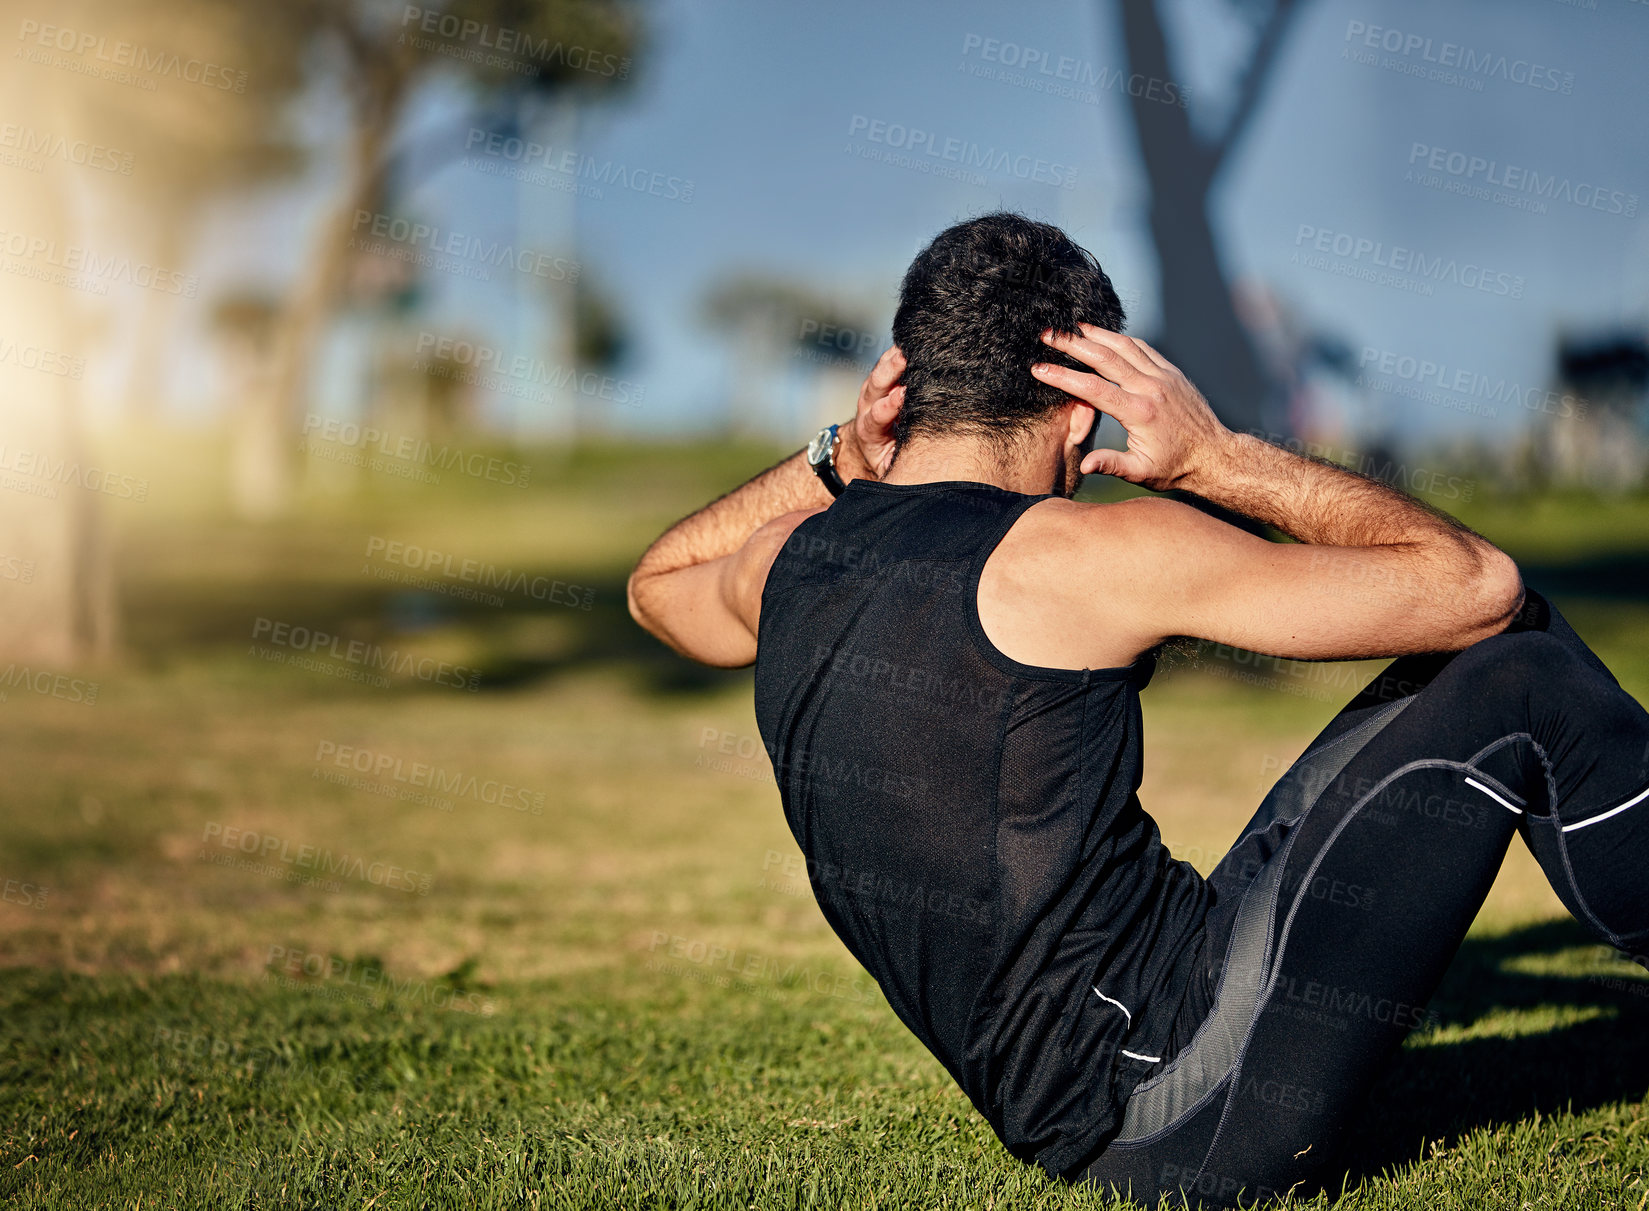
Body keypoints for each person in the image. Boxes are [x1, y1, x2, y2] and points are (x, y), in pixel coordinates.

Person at [625, 212, 1649, 1209]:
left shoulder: (785, 561)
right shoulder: (1075, 552)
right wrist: (1216, 457)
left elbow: (655, 585)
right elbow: (1476, 585)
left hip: (1108, 1080)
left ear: (918, 383)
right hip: (1176, 1109)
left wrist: (834, 460)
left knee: (1456, 678)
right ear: (1077, 410)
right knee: (1521, 670)